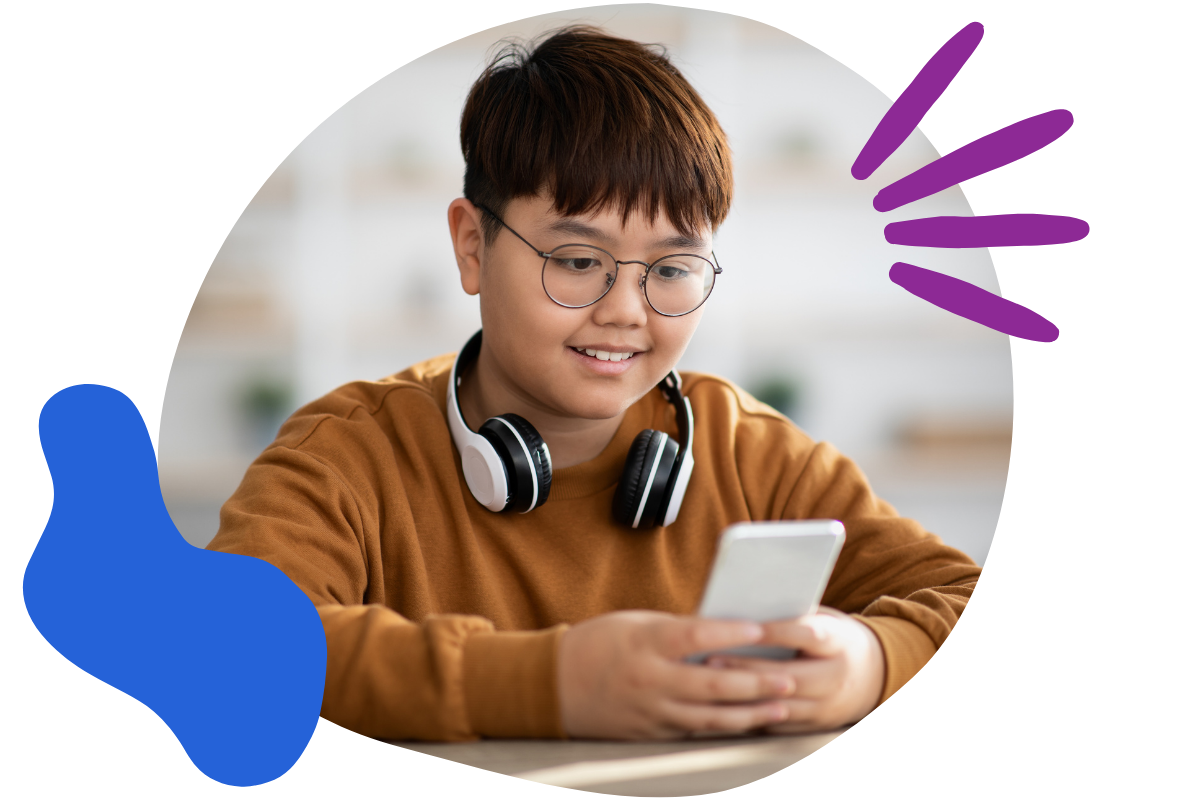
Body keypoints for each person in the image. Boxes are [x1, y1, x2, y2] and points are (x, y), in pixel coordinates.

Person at [207, 25, 982, 742]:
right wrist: (551, 683)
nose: (626, 312)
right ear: (472, 245)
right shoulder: (348, 455)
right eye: (578, 261)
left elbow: (995, 617)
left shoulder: (754, 455)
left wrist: (873, 661)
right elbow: (227, 655)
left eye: (673, 270)